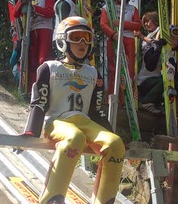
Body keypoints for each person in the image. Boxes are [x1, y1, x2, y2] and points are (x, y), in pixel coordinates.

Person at [20, 16, 125, 204]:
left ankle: (105, 200)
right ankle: (52, 199)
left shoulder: (93, 73)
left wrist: (109, 132)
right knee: (75, 138)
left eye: (86, 37)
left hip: (84, 120)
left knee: (116, 144)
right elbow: (39, 102)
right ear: (62, 40)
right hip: (56, 121)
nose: (82, 43)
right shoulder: (49, 68)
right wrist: (30, 131)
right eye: (76, 37)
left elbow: (96, 110)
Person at [100, 0, 141, 105]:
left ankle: (126, 101)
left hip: (128, 40)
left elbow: (138, 25)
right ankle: (111, 100)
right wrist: (113, 34)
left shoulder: (132, 9)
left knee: (129, 72)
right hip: (113, 40)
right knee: (113, 70)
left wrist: (123, 24)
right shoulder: (108, 7)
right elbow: (103, 24)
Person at [14, 0, 55, 85]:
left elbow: (50, 12)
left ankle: (43, 86)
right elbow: (15, 13)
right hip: (30, 31)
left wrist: (34, 9)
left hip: (44, 29)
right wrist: (22, 0)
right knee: (31, 61)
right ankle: (32, 89)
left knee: (43, 59)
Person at [134, 11, 164, 114]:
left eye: (148, 21)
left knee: (164, 83)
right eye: (144, 22)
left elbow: (156, 42)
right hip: (143, 76)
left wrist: (142, 36)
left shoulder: (160, 31)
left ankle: (152, 103)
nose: (146, 24)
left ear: (155, 20)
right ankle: (146, 103)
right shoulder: (147, 36)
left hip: (156, 73)